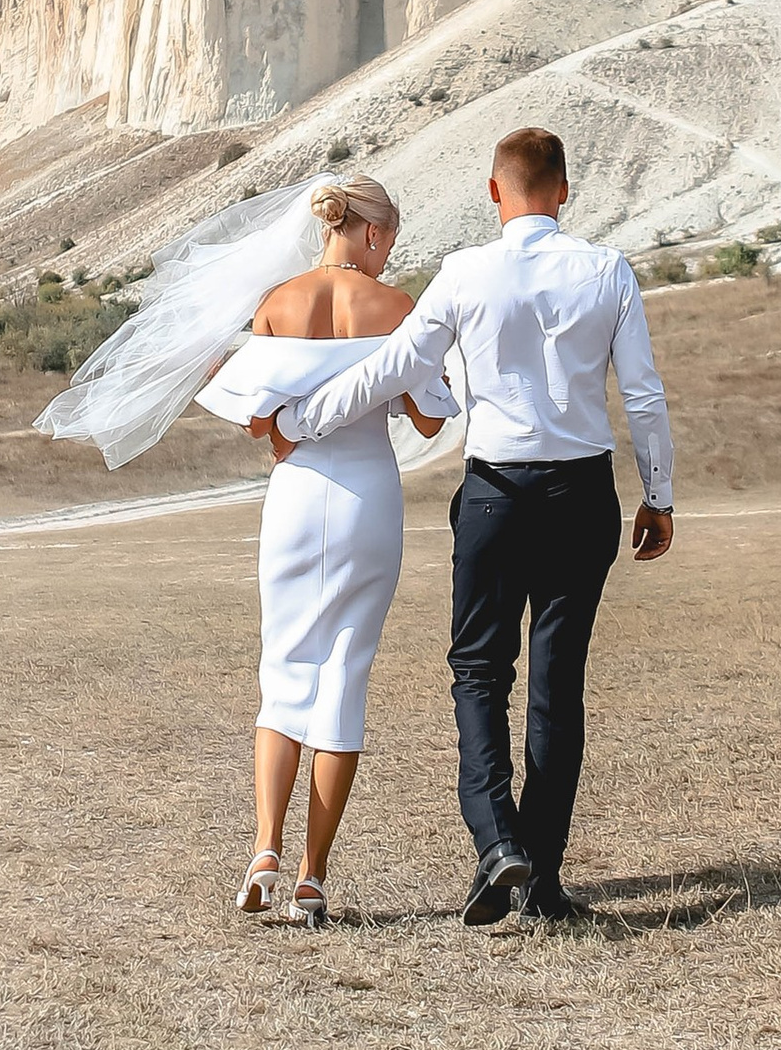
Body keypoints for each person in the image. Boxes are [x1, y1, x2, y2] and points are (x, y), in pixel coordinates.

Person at [263, 126, 673, 929]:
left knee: (479, 672)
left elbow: (392, 369)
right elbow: (645, 394)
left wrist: (304, 420)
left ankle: (495, 842)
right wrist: (657, 494)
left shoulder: (464, 273)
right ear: (564, 190)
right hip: (583, 491)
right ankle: (543, 878)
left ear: (493, 192)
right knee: (560, 686)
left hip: (494, 493)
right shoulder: (607, 269)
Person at [189, 175, 456, 928]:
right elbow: (431, 422)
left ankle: (264, 849)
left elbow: (259, 426)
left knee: (283, 665)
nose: (386, 257)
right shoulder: (398, 306)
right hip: (369, 493)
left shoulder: (277, 303)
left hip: (297, 495)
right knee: (345, 670)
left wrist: (291, 425)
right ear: (371, 233)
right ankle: (313, 875)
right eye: (389, 243)